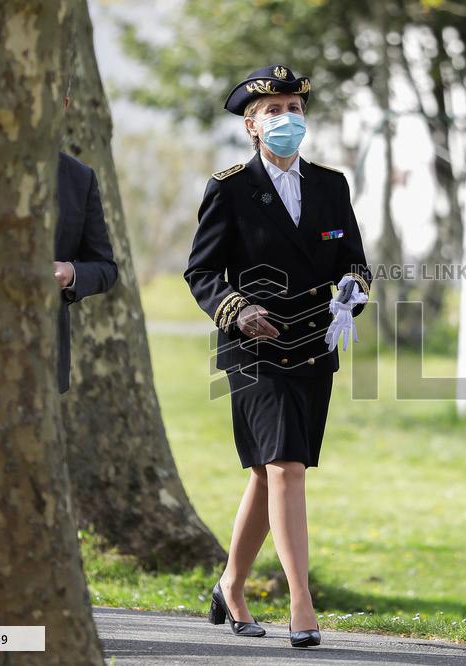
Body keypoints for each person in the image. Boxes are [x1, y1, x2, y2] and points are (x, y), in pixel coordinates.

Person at [184, 64, 372, 648]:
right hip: (256, 350)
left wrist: (352, 295)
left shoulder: (331, 185)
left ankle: (231, 586)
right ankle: (301, 602)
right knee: (285, 468)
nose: (287, 119)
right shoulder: (230, 188)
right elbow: (202, 271)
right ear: (251, 124)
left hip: (313, 346)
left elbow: (357, 264)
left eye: (294, 108)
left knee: (272, 476)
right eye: (273, 111)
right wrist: (237, 310)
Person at [54, 78, 119, 393]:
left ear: (64, 105)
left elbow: (106, 268)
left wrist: (70, 273)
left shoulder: (80, 178)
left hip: (45, 358)